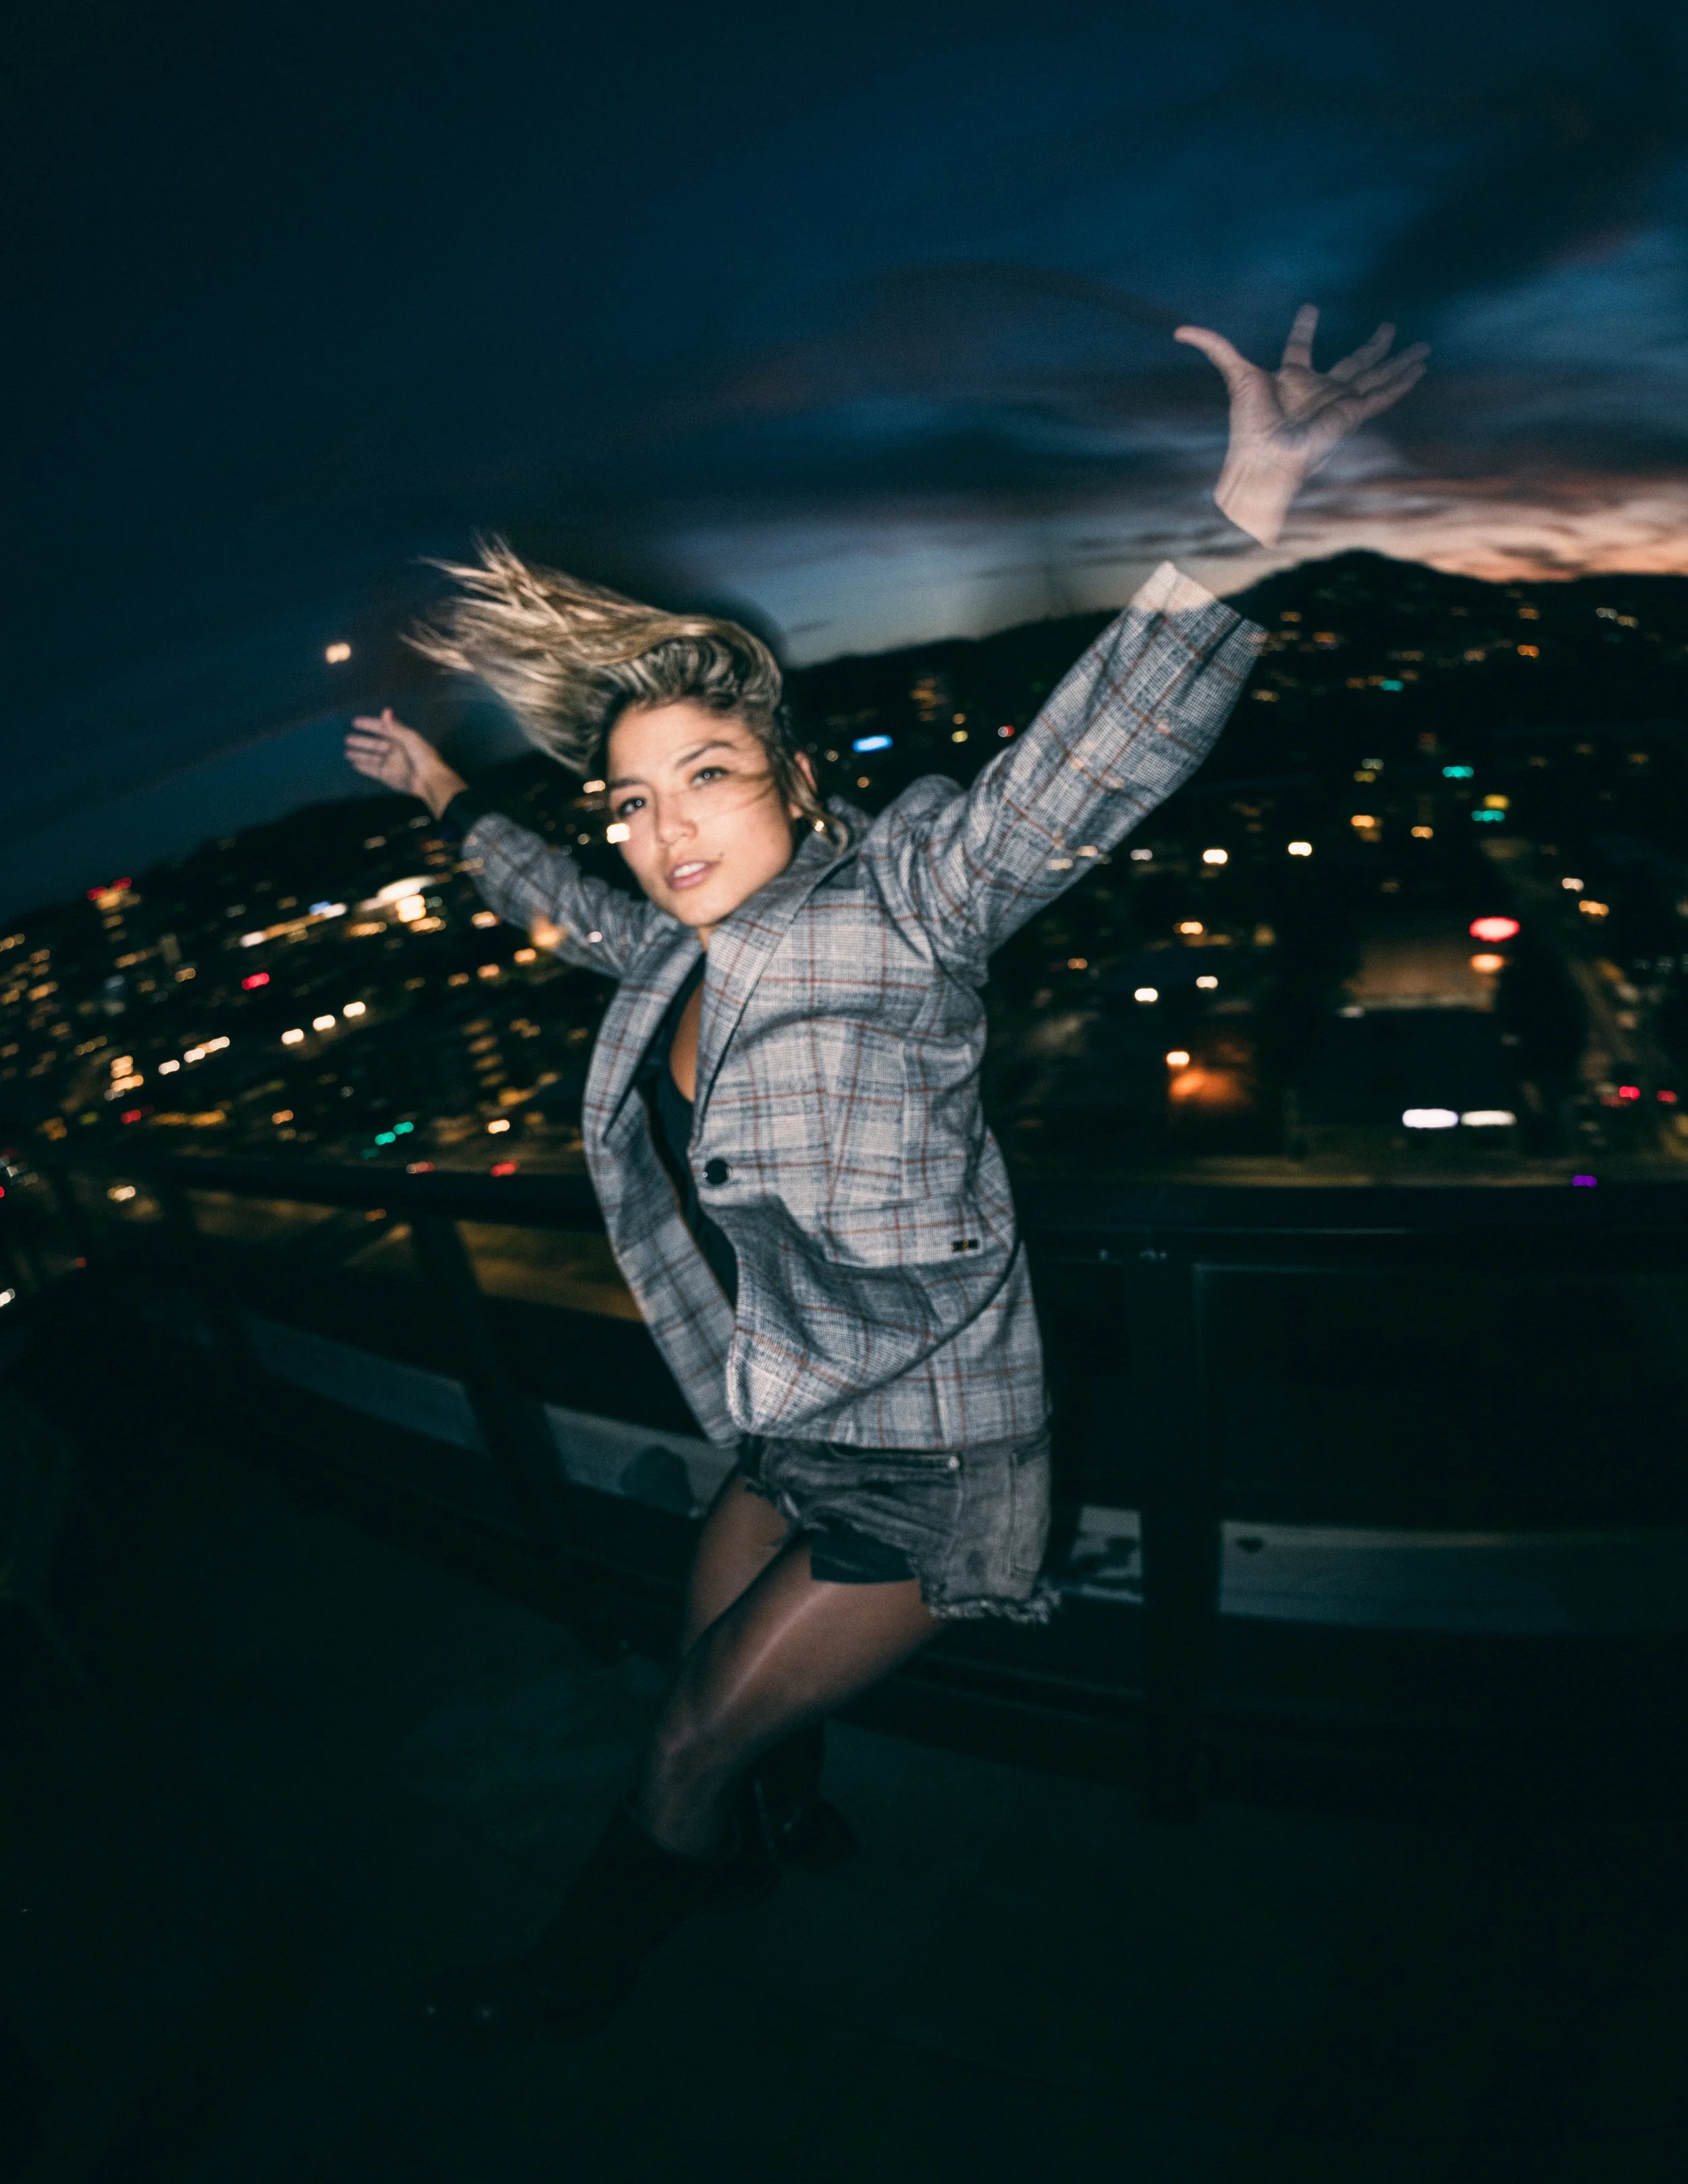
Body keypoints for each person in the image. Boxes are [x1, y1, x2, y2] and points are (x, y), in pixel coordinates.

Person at [346, 305, 1425, 2040]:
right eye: (630, 802)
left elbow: (1067, 776)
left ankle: (579, 1973)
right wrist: (447, 795)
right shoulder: (673, 965)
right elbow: (564, 908)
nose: (664, 826)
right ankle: (779, 1828)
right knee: (711, 1673)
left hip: (927, 1461)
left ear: (793, 784)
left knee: (690, 1721)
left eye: (704, 777)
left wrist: (1239, 522)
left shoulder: (898, 910)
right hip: (789, 1425)